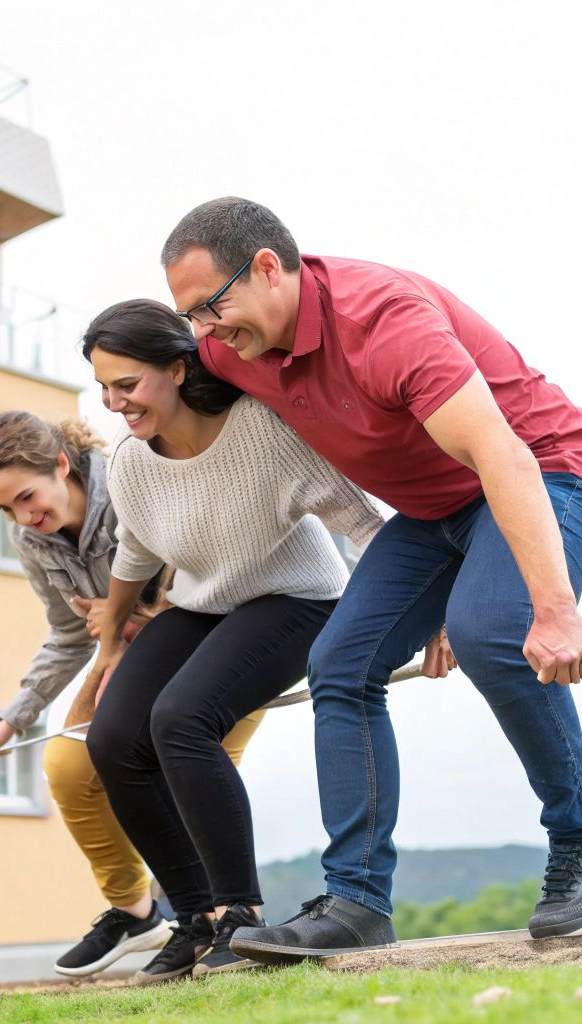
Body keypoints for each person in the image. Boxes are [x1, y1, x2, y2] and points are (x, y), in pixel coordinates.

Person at [157, 197, 582, 961]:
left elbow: (501, 457)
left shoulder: (384, 321)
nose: (207, 333)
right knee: (338, 663)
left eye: (211, 309)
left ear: (269, 268)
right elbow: (172, 400)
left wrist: (554, 608)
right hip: (433, 510)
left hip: (539, 469)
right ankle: (356, 903)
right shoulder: (226, 348)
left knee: (488, 631)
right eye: (191, 320)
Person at [78, 298, 387, 980]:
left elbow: (363, 522)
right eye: (103, 388)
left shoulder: (262, 431)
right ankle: (192, 919)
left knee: (182, 719)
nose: (114, 402)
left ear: (179, 369)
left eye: (126, 384)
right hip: (204, 604)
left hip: (297, 597)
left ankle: (238, 914)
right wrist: (109, 646)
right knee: (112, 737)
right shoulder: (132, 462)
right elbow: (134, 555)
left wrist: (432, 614)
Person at [0, 413, 266, 976]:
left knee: (185, 759)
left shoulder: (141, 479)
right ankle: (138, 911)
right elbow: (68, 632)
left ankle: (228, 919)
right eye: (6, 509)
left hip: (219, 638)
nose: (24, 518)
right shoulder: (32, 537)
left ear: (60, 464)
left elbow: (218, 578)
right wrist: (13, 720)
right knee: (70, 766)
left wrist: (135, 614)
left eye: (27, 497)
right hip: (124, 654)